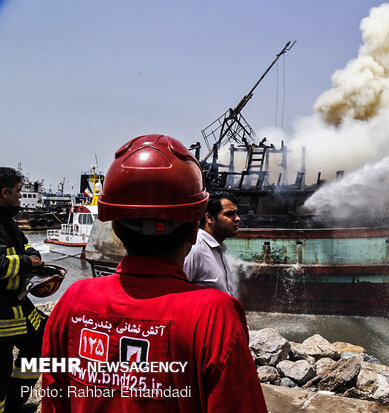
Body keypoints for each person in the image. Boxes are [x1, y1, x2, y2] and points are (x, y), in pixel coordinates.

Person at [41, 135, 267, 412]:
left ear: (115, 228)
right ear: (195, 229)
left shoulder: (73, 301)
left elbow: (54, 400)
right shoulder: (214, 316)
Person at [0, 167, 46, 413]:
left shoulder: (8, 221)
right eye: (18, 191)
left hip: (16, 304)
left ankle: (14, 403)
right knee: (1, 368)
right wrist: (29, 262)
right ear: (4, 192)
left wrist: (33, 258)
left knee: (41, 338)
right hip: (3, 311)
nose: (21, 196)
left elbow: (28, 248)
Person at [183, 191, 240, 297]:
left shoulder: (218, 248)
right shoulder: (195, 248)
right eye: (229, 214)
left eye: (236, 213)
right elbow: (179, 294)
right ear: (209, 218)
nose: (237, 218)